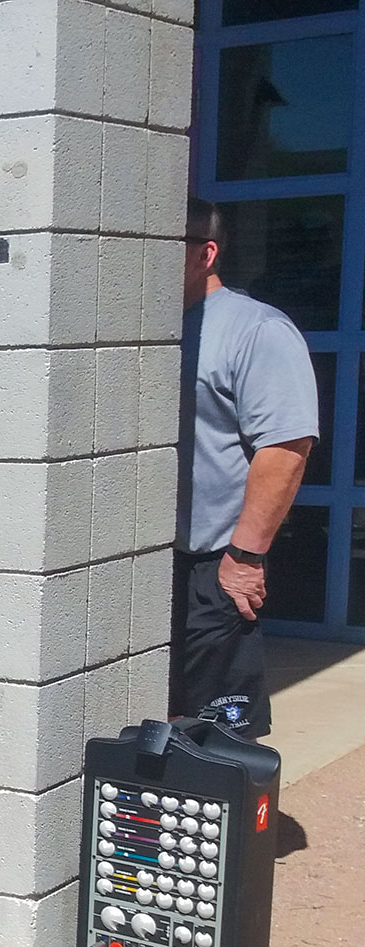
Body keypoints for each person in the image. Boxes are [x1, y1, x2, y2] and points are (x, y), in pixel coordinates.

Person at [170, 197, 318, 737]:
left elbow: (284, 449)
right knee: (152, 726)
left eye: (166, 246)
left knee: (218, 734)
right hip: (150, 561)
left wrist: (244, 556)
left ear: (205, 253)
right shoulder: (147, 330)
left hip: (215, 562)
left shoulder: (256, 330)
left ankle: (225, 821)